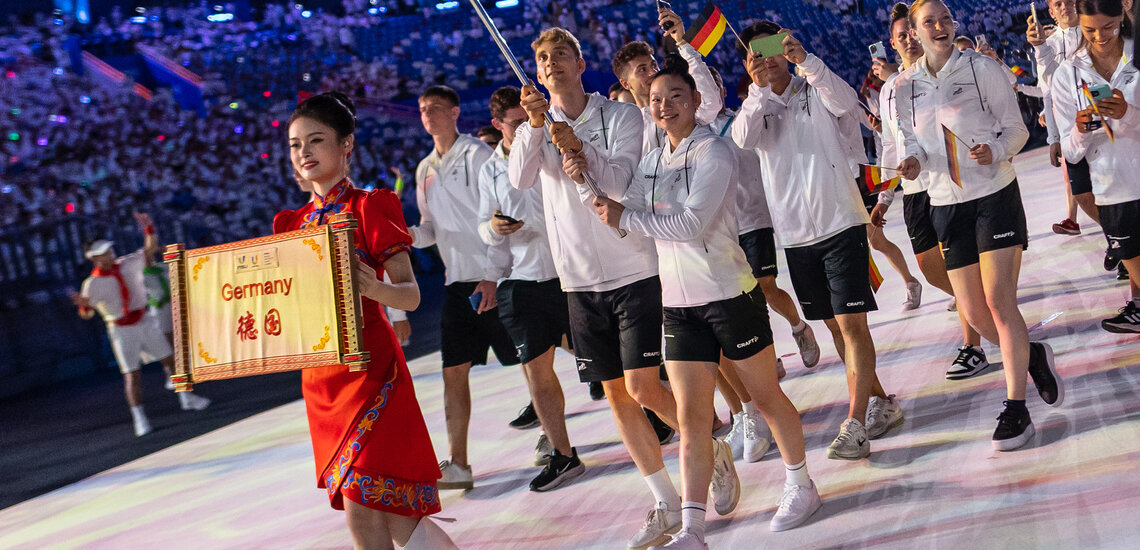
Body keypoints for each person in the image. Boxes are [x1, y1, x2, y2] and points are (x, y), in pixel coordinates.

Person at [511, 27, 733, 549]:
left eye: (560, 54)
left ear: (580, 61)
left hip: (633, 267)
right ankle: (664, 500)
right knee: (616, 396)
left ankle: (708, 450)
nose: (551, 63)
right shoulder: (538, 125)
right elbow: (521, 179)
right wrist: (536, 126)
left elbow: (624, 187)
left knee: (641, 386)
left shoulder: (620, 116)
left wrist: (580, 147)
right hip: (578, 278)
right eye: (542, 58)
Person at [594, 67, 823, 547]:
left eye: (675, 96)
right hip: (679, 308)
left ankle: (802, 484)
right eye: (656, 99)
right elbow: (625, 211)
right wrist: (596, 186)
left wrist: (627, 216)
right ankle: (694, 529)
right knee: (694, 419)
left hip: (730, 296)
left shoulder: (712, 151)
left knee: (765, 399)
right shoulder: (653, 159)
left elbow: (691, 224)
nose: (664, 106)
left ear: (696, 99)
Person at [276, 92, 457, 549]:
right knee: (391, 513)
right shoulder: (290, 225)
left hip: (371, 372)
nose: (305, 153)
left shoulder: (371, 206)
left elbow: (412, 296)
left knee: (365, 501)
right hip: (320, 379)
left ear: (346, 145)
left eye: (316, 141)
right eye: (296, 145)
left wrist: (370, 287)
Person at [896, 0, 1063, 451]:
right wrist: (911, 163)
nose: (940, 27)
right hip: (945, 204)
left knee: (997, 299)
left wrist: (996, 149)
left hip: (994, 195)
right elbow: (912, 144)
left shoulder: (981, 70)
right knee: (971, 311)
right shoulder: (903, 88)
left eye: (946, 19)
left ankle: (1016, 408)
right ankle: (1031, 356)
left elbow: (1018, 129)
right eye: (929, 22)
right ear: (914, 32)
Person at [733, 21, 901, 459]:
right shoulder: (756, 107)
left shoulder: (815, 85)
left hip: (841, 220)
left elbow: (845, 103)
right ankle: (880, 402)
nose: (766, 58)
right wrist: (759, 91)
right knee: (833, 327)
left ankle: (854, 422)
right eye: (756, 53)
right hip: (795, 236)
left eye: (772, 48)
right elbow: (742, 139)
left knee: (851, 324)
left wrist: (805, 61)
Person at [871, 2, 992, 381]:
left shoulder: (942, 76)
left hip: (947, 180)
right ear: (893, 43)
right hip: (913, 189)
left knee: (959, 266)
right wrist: (885, 196)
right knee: (930, 267)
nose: (909, 39)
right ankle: (977, 306)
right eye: (901, 35)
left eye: (912, 31)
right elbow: (890, 146)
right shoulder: (890, 88)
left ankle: (973, 344)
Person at [409, 85, 522, 490]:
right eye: (423, 109)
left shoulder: (476, 155)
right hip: (456, 283)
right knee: (453, 373)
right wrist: (401, 235)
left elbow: (498, 211)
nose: (428, 114)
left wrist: (493, 274)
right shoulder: (424, 170)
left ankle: (557, 436)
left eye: (436, 107)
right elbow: (429, 230)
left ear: (455, 112)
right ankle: (458, 463)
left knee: (536, 358)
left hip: (490, 277)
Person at [476, 86, 585, 490]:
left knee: (602, 358)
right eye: (517, 123)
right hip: (520, 280)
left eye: (528, 119)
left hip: (568, 272)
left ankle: (654, 413)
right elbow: (483, 226)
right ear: (498, 125)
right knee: (537, 374)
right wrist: (493, 229)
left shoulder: (552, 143)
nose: (525, 127)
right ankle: (563, 453)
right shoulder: (489, 169)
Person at [707, 65, 811, 464]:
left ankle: (798, 326)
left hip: (754, 221)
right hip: (724, 232)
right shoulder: (688, 136)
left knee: (765, 289)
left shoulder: (739, 123)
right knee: (741, 303)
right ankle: (762, 375)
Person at [71, 213, 210, 438]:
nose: (110, 253)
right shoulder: (93, 283)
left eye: (109, 249)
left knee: (170, 359)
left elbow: (150, 249)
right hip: (121, 329)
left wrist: (149, 228)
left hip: (144, 320)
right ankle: (140, 418)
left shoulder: (126, 264)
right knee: (132, 374)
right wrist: (83, 306)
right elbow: (87, 314)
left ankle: (187, 397)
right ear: (94, 259)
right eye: (104, 252)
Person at [1050, 0, 1140, 333]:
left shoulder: (1137, 56)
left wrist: (1127, 113)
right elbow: (1071, 153)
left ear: (1122, 17)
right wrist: (1081, 128)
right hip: (1112, 191)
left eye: (1108, 27)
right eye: (1089, 30)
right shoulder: (1068, 73)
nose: (1099, 37)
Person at [1029, 0, 1099, 238]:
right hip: (1071, 129)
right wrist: (1053, 139)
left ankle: (1121, 243)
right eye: (1058, 3)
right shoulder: (1046, 46)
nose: (1065, 6)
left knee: (1114, 186)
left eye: (1069, 1)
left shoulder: (1095, 31)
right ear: (1051, 12)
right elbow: (1047, 93)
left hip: (1103, 119)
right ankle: (1114, 233)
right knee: (1081, 193)